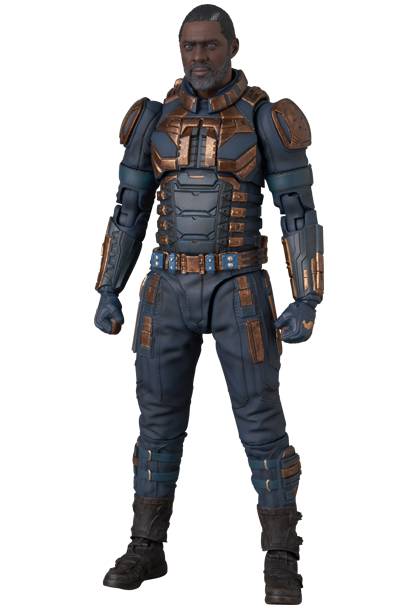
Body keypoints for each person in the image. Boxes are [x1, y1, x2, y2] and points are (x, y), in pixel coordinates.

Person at [94, 4, 324, 604]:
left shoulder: (266, 118)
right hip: (166, 288)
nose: (199, 56)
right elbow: (128, 210)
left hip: (238, 287)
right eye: (189, 46)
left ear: (232, 47)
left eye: (210, 45)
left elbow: (298, 211)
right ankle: (146, 545)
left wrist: (307, 297)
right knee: (157, 423)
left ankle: (282, 556)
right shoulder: (152, 119)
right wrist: (108, 288)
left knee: (261, 422)